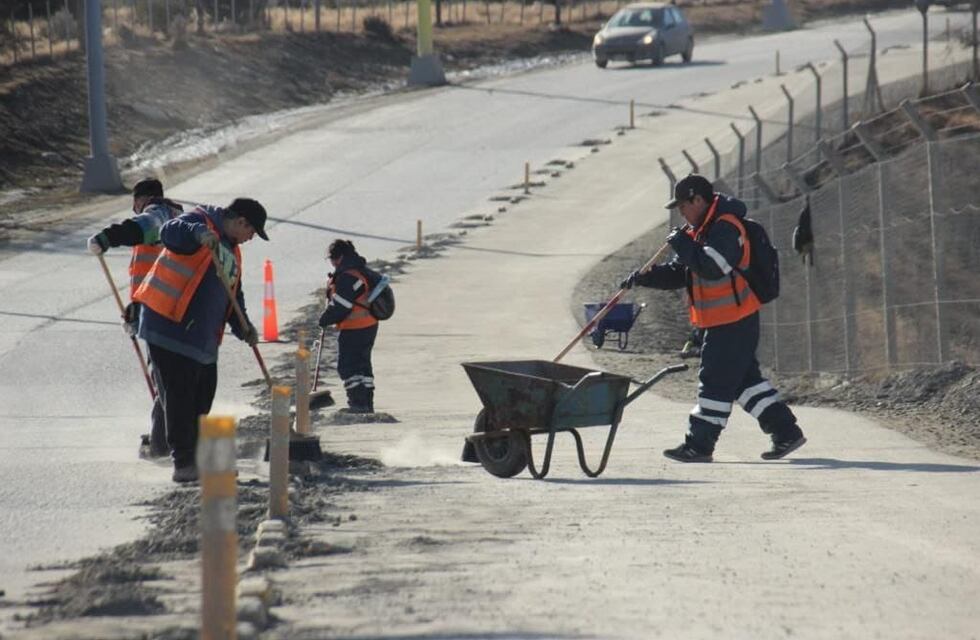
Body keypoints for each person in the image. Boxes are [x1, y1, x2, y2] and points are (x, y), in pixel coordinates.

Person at [621, 174, 806, 463]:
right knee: (745, 383)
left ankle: (699, 445)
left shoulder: (725, 227)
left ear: (698, 200)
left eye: (684, 206)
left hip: (734, 318)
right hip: (721, 319)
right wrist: (646, 277)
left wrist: (682, 243)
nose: (681, 213)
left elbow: (713, 266)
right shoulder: (701, 231)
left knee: (714, 381)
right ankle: (786, 433)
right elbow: (682, 272)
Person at [133, 198, 266, 483]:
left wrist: (243, 326)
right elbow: (171, 230)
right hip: (168, 327)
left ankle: (199, 458)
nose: (251, 238)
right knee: (180, 398)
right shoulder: (201, 221)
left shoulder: (232, 250)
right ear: (241, 221)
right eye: (252, 231)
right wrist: (197, 235)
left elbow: (232, 291)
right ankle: (184, 465)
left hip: (201, 338)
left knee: (203, 396)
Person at [87, 177, 184, 458]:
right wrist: (136, 310)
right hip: (161, 306)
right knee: (169, 377)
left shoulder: (157, 215)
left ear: (141, 200)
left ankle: (163, 443)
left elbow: (139, 228)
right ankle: (167, 438)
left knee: (165, 378)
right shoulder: (175, 216)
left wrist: (105, 238)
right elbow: (150, 273)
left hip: (162, 311)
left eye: (135, 205)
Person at [318, 240, 379, 414]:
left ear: (341, 257)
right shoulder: (360, 271)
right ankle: (367, 403)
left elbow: (342, 306)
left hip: (354, 328)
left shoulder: (348, 276)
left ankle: (357, 403)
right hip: (369, 326)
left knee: (348, 366)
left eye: (334, 259)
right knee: (363, 366)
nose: (333, 263)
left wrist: (325, 319)